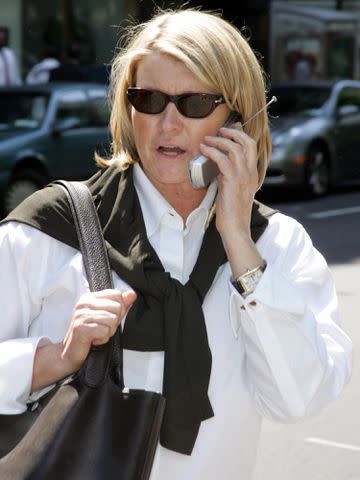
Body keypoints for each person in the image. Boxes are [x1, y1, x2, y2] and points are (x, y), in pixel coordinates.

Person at [0, 9, 352, 480]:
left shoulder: (276, 245)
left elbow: (299, 399)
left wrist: (239, 246)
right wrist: (53, 359)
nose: (167, 123)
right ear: (128, 109)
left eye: (194, 103)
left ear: (238, 118)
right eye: (149, 100)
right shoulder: (47, 229)